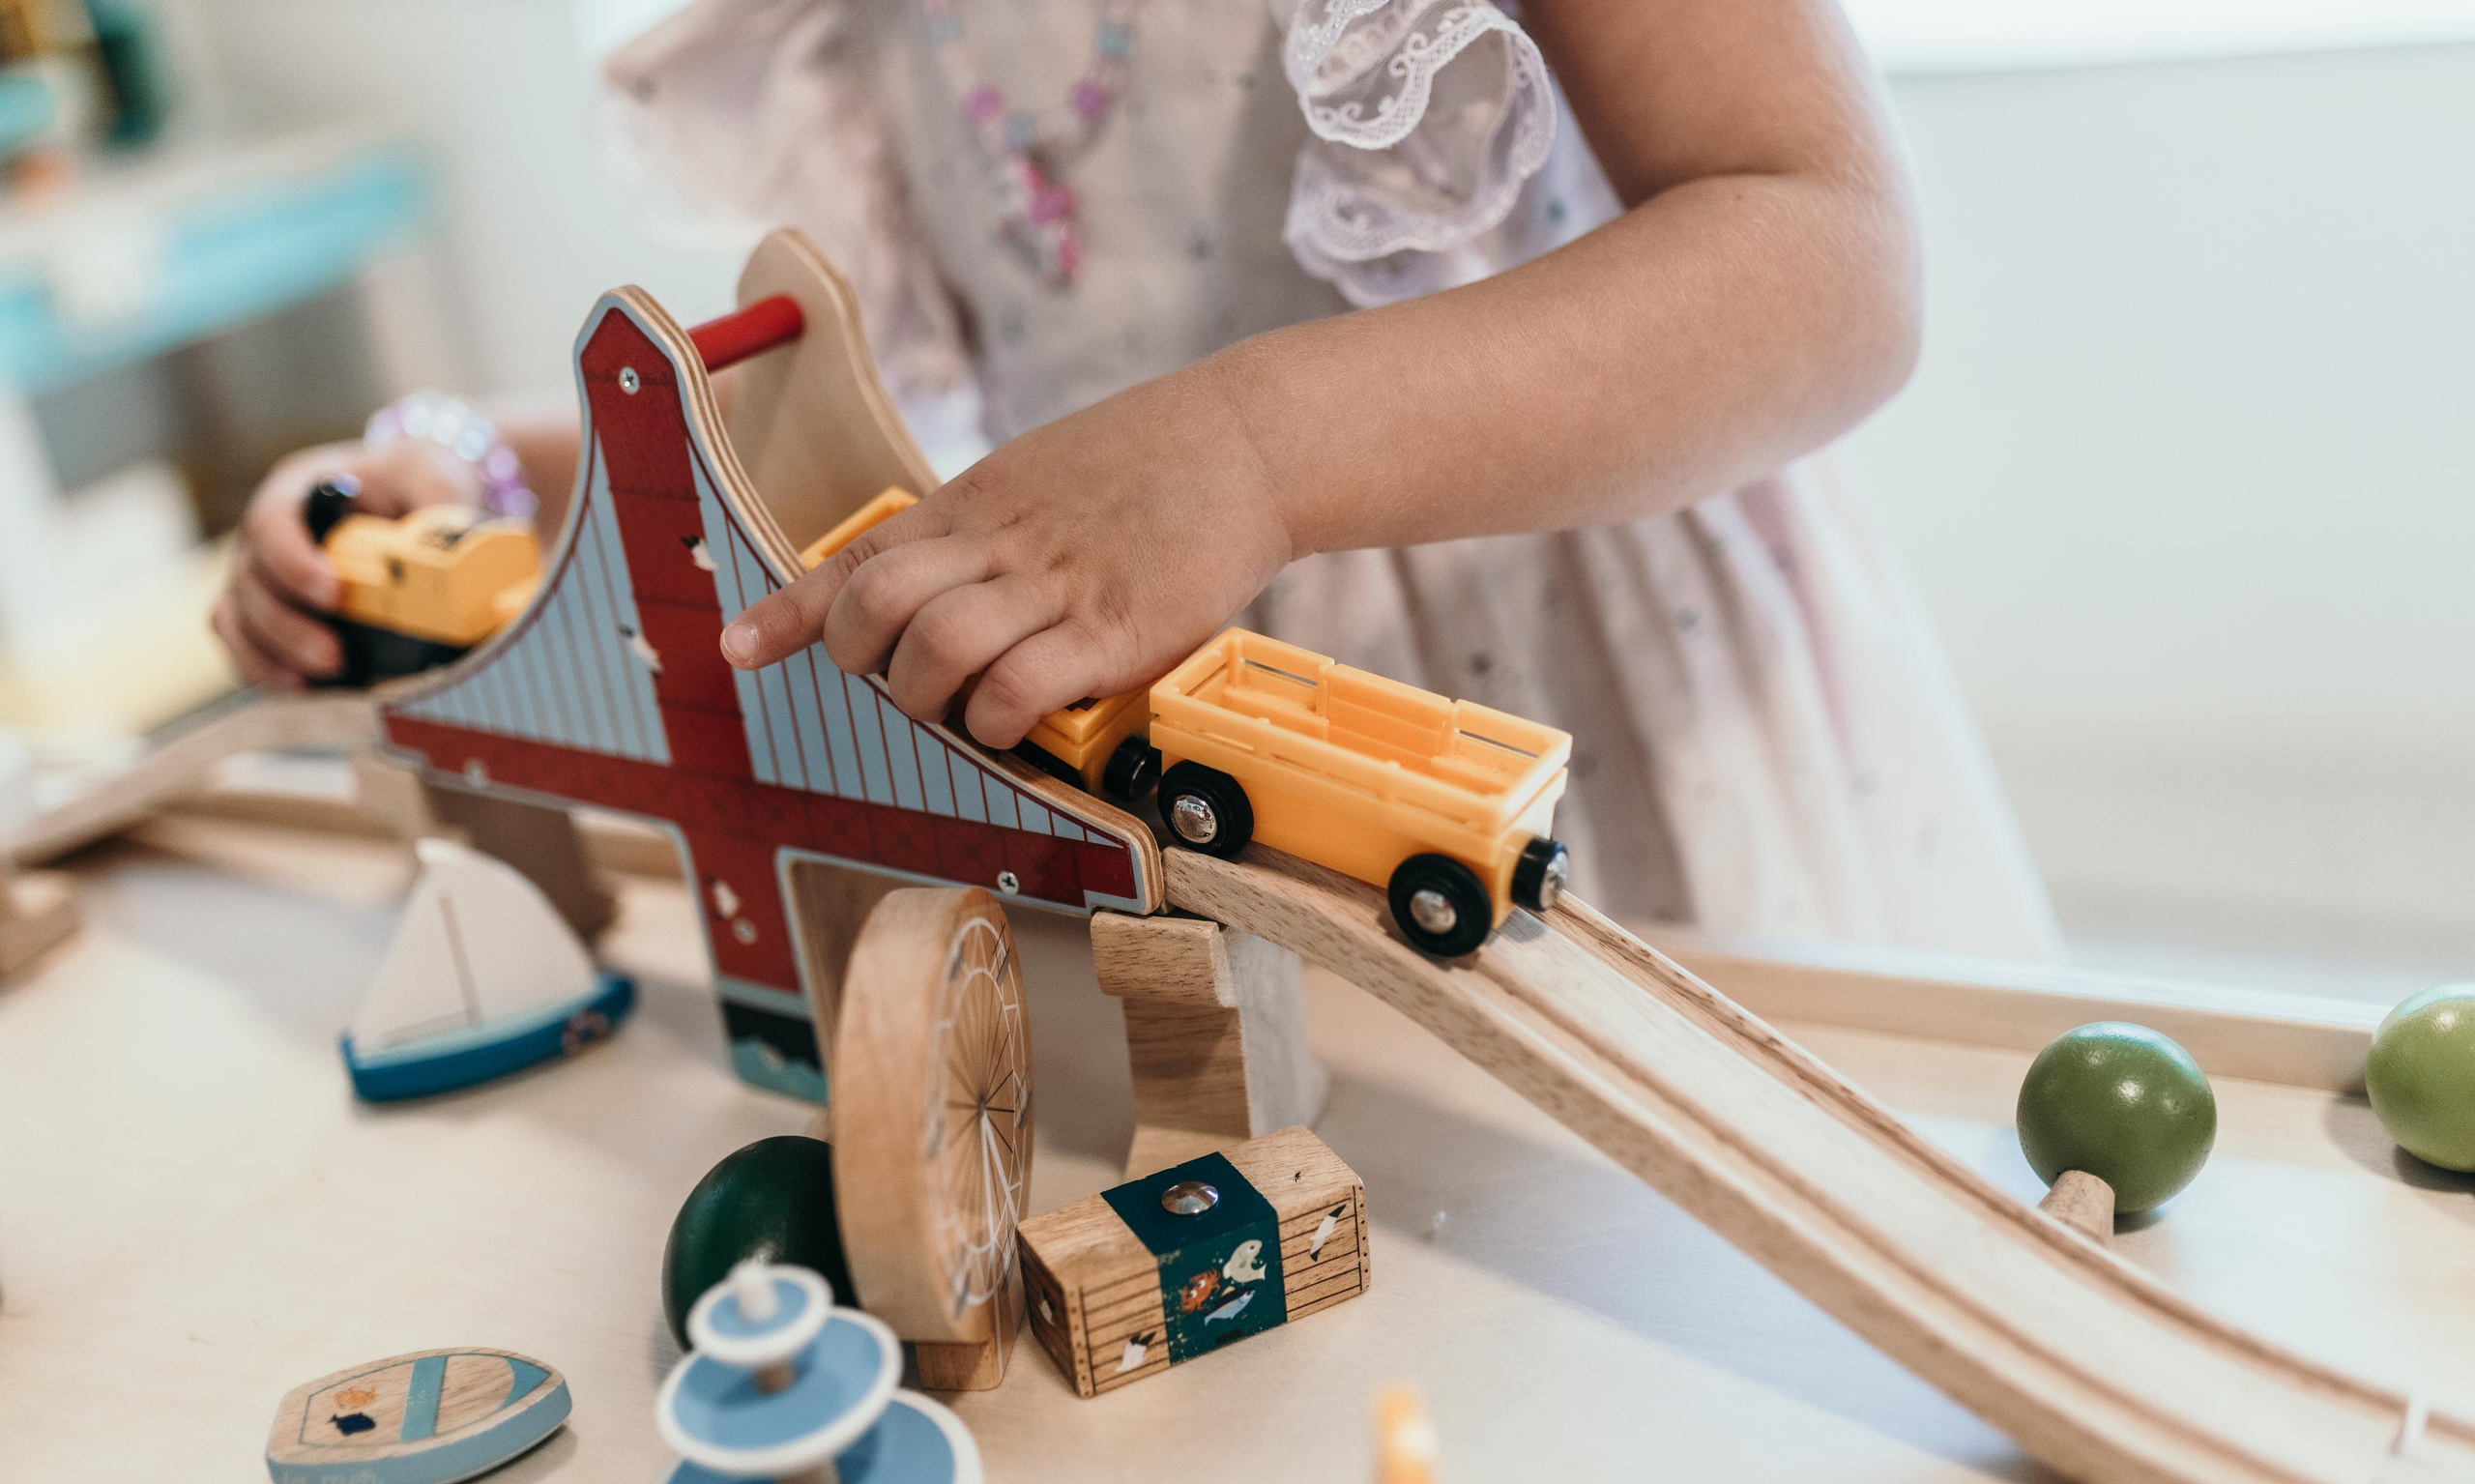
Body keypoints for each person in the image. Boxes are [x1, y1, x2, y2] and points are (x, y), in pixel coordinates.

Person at [213, 0, 2060, 956]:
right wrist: (475, 469)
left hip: (1591, 713)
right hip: (1136, 741)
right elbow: (919, 423)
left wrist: (1251, 449)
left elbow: (1827, 255)